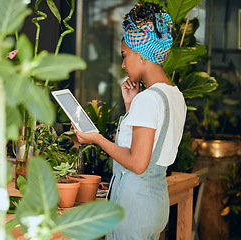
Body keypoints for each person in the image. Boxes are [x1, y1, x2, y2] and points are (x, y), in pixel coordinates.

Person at [73, 2, 187, 239]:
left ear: (143, 55)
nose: (123, 64)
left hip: (134, 205)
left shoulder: (148, 99)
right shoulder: (174, 95)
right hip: (155, 203)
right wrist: (130, 105)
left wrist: (96, 139)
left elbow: (137, 163)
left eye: (125, 56)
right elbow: (153, 143)